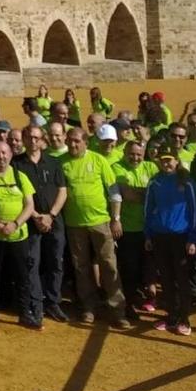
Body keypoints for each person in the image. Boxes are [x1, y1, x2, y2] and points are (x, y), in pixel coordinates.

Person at [61, 128, 130, 329]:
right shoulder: (61, 163)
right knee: (81, 268)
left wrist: (116, 218)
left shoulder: (99, 160)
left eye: (76, 141)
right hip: (74, 224)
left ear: (85, 142)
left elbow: (114, 192)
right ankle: (88, 307)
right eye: (70, 141)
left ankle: (117, 310)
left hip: (101, 222)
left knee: (109, 265)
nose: (72, 144)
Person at [0, 141, 37, 332]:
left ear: (11, 154)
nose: (1, 156)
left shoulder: (20, 177)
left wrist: (15, 224)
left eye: (4, 153)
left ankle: (25, 313)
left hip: (18, 236)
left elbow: (29, 205)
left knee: (22, 276)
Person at [12, 126, 68, 323]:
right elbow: (17, 194)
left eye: (36, 137)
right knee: (32, 264)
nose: (33, 141)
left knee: (55, 262)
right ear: (24, 139)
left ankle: (53, 302)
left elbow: (62, 190)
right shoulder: (16, 164)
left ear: (42, 140)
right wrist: (36, 216)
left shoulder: (53, 162)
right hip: (30, 222)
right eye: (29, 137)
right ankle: (36, 305)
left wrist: (51, 215)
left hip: (55, 221)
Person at [143, 146, 196, 336]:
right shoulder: (155, 182)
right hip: (160, 237)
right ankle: (171, 316)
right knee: (166, 278)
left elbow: (195, 212)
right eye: (163, 160)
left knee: (182, 278)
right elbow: (148, 209)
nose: (166, 163)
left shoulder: (187, 182)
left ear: (177, 161)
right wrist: (148, 235)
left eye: (170, 160)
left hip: (181, 237)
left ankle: (184, 318)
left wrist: (192, 238)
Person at [112, 140, 157, 319]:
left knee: (147, 266)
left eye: (139, 154)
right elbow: (127, 194)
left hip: (149, 228)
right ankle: (128, 304)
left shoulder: (151, 167)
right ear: (124, 152)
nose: (135, 157)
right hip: (128, 228)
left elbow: (155, 194)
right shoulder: (117, 168)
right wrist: (146, 194)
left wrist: (137, 194)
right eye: (132, 153)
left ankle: (141, 297)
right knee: (129, 268)